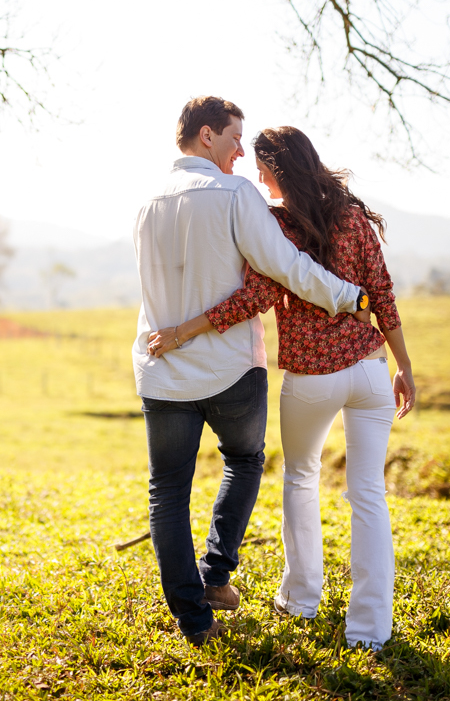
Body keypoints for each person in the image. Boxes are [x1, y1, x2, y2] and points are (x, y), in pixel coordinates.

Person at [148, 125, 415, 652]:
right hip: (369, 369)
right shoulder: (354, 218)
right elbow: (381, 293)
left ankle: (301, 598)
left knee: (300, 480)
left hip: (314, 378)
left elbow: (252, 298)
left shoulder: (278, 226)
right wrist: (404, 366)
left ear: (278, 169)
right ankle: (369, 630)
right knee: (369, 497)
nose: (256, 172)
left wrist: (183, 330)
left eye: (262, 166)